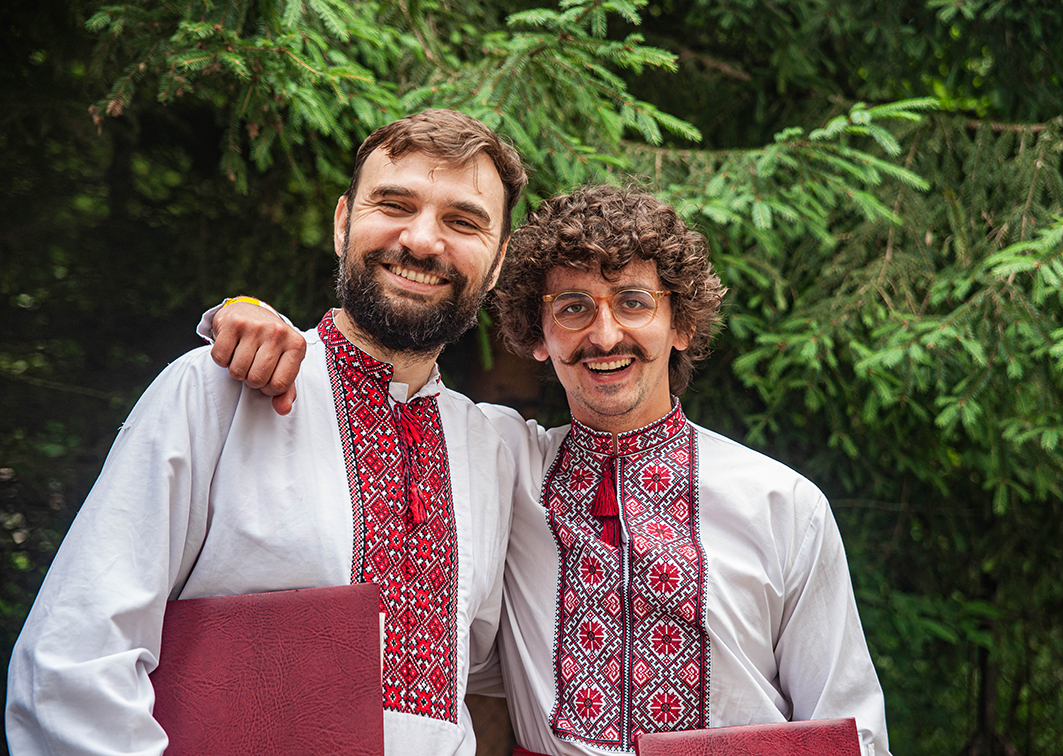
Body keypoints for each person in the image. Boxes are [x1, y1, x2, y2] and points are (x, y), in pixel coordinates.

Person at [186, 185, 891, 755]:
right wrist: (242, 313)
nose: (605, 335)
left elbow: (851, 729)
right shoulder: (498, 459)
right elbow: (381, 382)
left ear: (679, 324)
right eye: (573, 308)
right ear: (538, 335)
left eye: (634, 303)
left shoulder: (781, 503)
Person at [6, 109, 528, 756]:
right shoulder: (216, 390)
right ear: (342, 223)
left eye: (463, 221)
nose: (422, 241)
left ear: (498, 262)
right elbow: (74, 659)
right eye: (394, 204)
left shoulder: (493, 451)